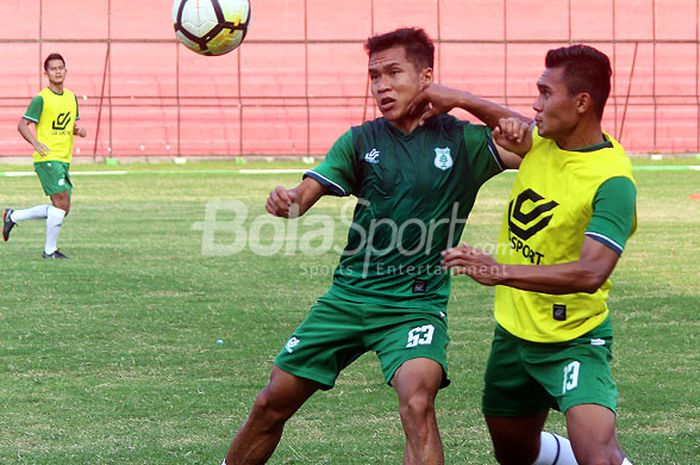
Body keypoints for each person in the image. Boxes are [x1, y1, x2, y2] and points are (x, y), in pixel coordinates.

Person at [221, 27, 528, 465]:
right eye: (374, 76)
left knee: (417, 403)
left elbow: (548, 144)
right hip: (348, 299)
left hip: (414, 307)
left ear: (426, 77)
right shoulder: (360, 141)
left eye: (393, 72)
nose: (381, 86)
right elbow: (301, 201)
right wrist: (286, 201)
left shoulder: (462, 141)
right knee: (271, 402)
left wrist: (462, 98)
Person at [442, 44, 637, 465]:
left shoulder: (613, 182)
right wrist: (460, 99)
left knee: (596, 455)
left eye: (546, 93)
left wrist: (499, 271)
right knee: (513, 453)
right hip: (513, 335)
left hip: (574, 339)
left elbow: (590, 271)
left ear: (581, 103)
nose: (535, 103)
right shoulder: (545, 143)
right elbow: (507, 123)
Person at [2, 53, 86, 259]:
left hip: (63, 158)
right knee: (61, 202)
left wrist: (77, 131)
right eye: (53, 68)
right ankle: (49, 251)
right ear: (46, 73)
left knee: (63, 208)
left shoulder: (71, 97)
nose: (58, 71)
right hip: (47, 158)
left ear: (66, 70)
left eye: (61, 67)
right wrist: (36, 143)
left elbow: (64, 124)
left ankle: (13, 215)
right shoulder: (41, 98)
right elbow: (22, 124)